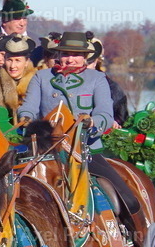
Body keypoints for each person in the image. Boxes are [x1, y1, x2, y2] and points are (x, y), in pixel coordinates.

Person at [18, 31, 141, 222]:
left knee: (128, 200)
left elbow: (105, 115)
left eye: (76, 55)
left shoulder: (97, 79)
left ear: (84, 57)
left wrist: (92, 122)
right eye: (66, 54)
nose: (70, 59)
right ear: (58, 55)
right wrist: (25, 118)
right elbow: (29, 108)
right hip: (46, 150)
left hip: (86, 149)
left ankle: (130, 240)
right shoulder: (41, 77)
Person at [0, 34, 37, 116]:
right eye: (9, 60)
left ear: (26, 62)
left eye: (18, 60)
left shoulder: (36, 82)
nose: (12, 66)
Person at [86, 34, 127, 128]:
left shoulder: (112, 87)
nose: (84, 66)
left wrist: (112, 122)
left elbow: (122, 118)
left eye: (89, 62)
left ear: (97, 61)